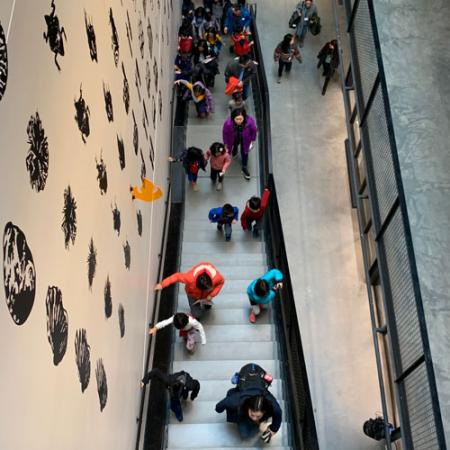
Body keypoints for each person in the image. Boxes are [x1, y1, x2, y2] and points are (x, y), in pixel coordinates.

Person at [215, 363, 282, 442]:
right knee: (245, 434)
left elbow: (278, 412)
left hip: (254, 391)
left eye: (258, 416)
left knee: (252, 427)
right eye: (252, 414)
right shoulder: (236, 400)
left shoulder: (269, 403)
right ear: (247, 407)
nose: (254, 418)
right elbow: (219, 406)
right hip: (243, 409)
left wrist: (273, 429)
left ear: (264, 411)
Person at [154, 262, 225, 319]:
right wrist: (162, 285)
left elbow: (221, 282)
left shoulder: (216, 277)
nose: (209, 289)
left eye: (209, 288)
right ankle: (197, 314)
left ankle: (205, 305)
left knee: (207, 306)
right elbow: (176, 276)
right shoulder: (190, 278)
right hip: (192, 294)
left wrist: (211, 294)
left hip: (207, 296)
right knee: (196, 314)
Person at [222, 108, 257, 180]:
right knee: (234, 144)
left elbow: (254, 130)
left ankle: (244, 166)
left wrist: (252, 140)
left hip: (245, 139)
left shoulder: (249, 122)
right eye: (237, 119)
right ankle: (235, 149)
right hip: (233, 138)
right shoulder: (228, 123)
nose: (239, 121)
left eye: (240, 119)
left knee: (245, 152)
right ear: (233, 118)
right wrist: (225, 143)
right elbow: (225, 133)